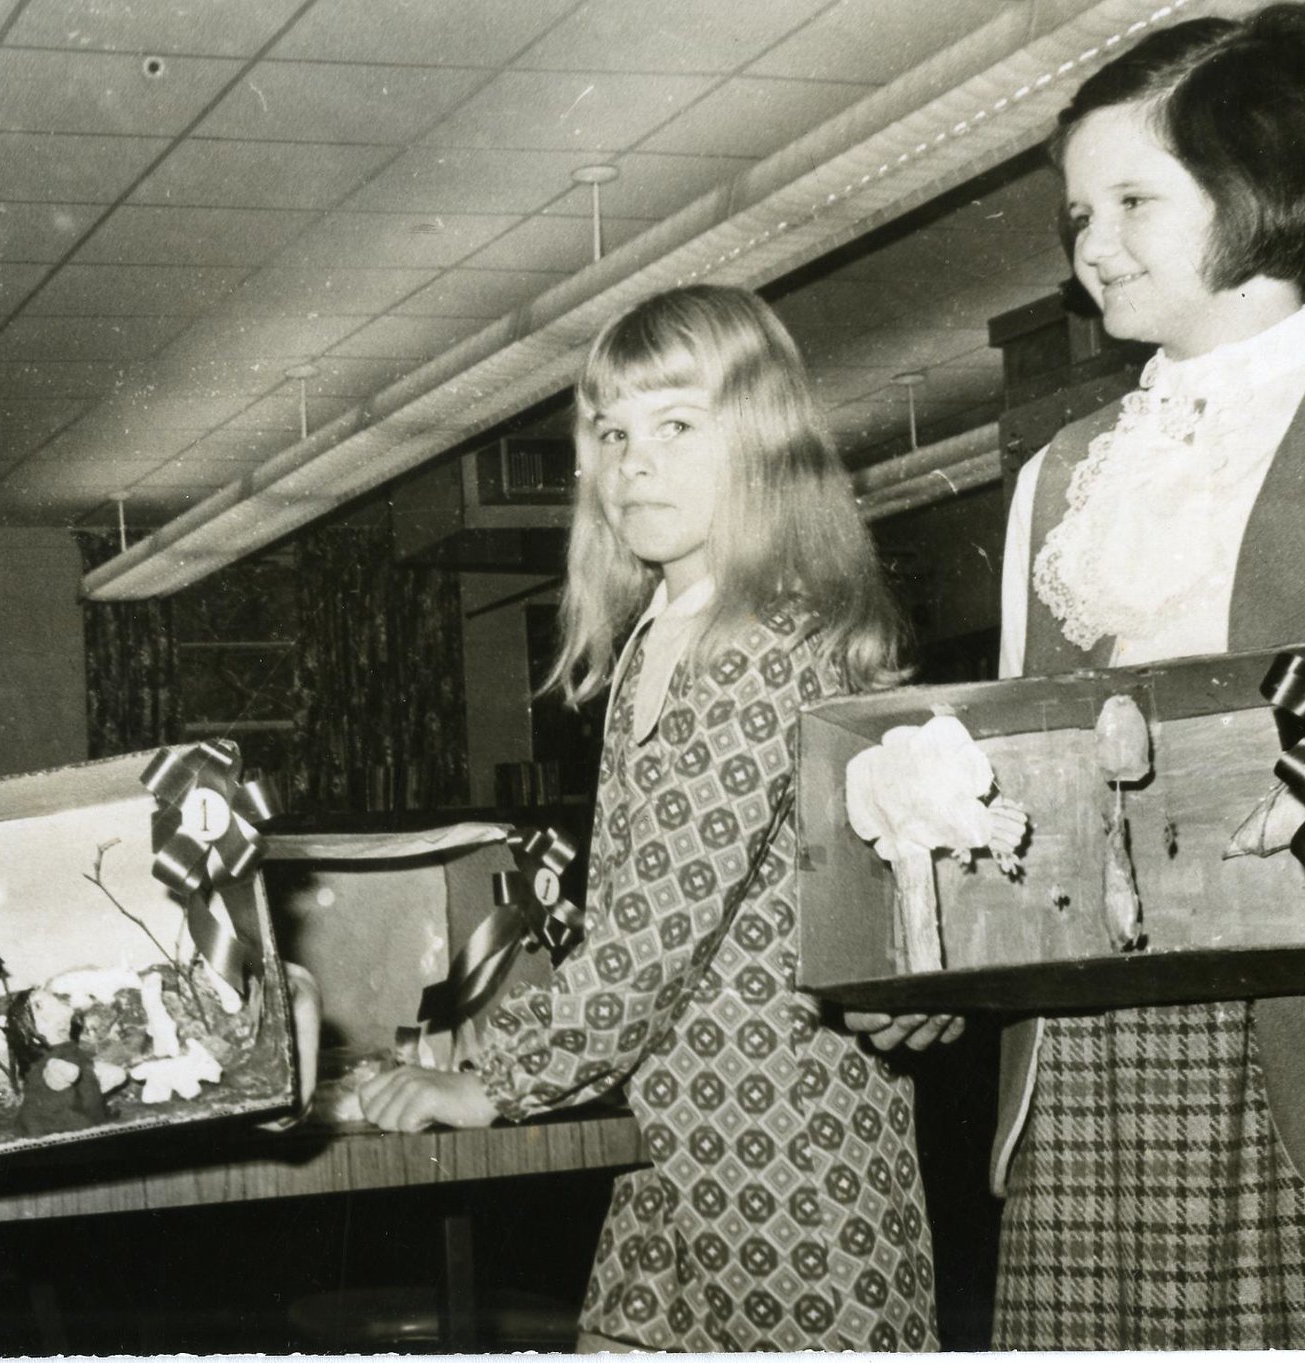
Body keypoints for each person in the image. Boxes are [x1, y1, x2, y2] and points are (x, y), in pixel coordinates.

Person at [856, 5, 1305, 1349]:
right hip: (1094, 1067)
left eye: (1135, 198)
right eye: (1078, 213)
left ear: (1260, 178)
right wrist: (929, 952)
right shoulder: (1054, 478)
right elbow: (1011, 799)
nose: (1093, 243)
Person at [360, 285, 938, 1352]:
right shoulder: (663, 632)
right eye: (610, 433)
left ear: (762, 440)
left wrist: (492, 1081)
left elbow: (651, 937)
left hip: (785, 1151)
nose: (631, 463)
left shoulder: (763, 636)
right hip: (678, 1130)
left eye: (676, 426)